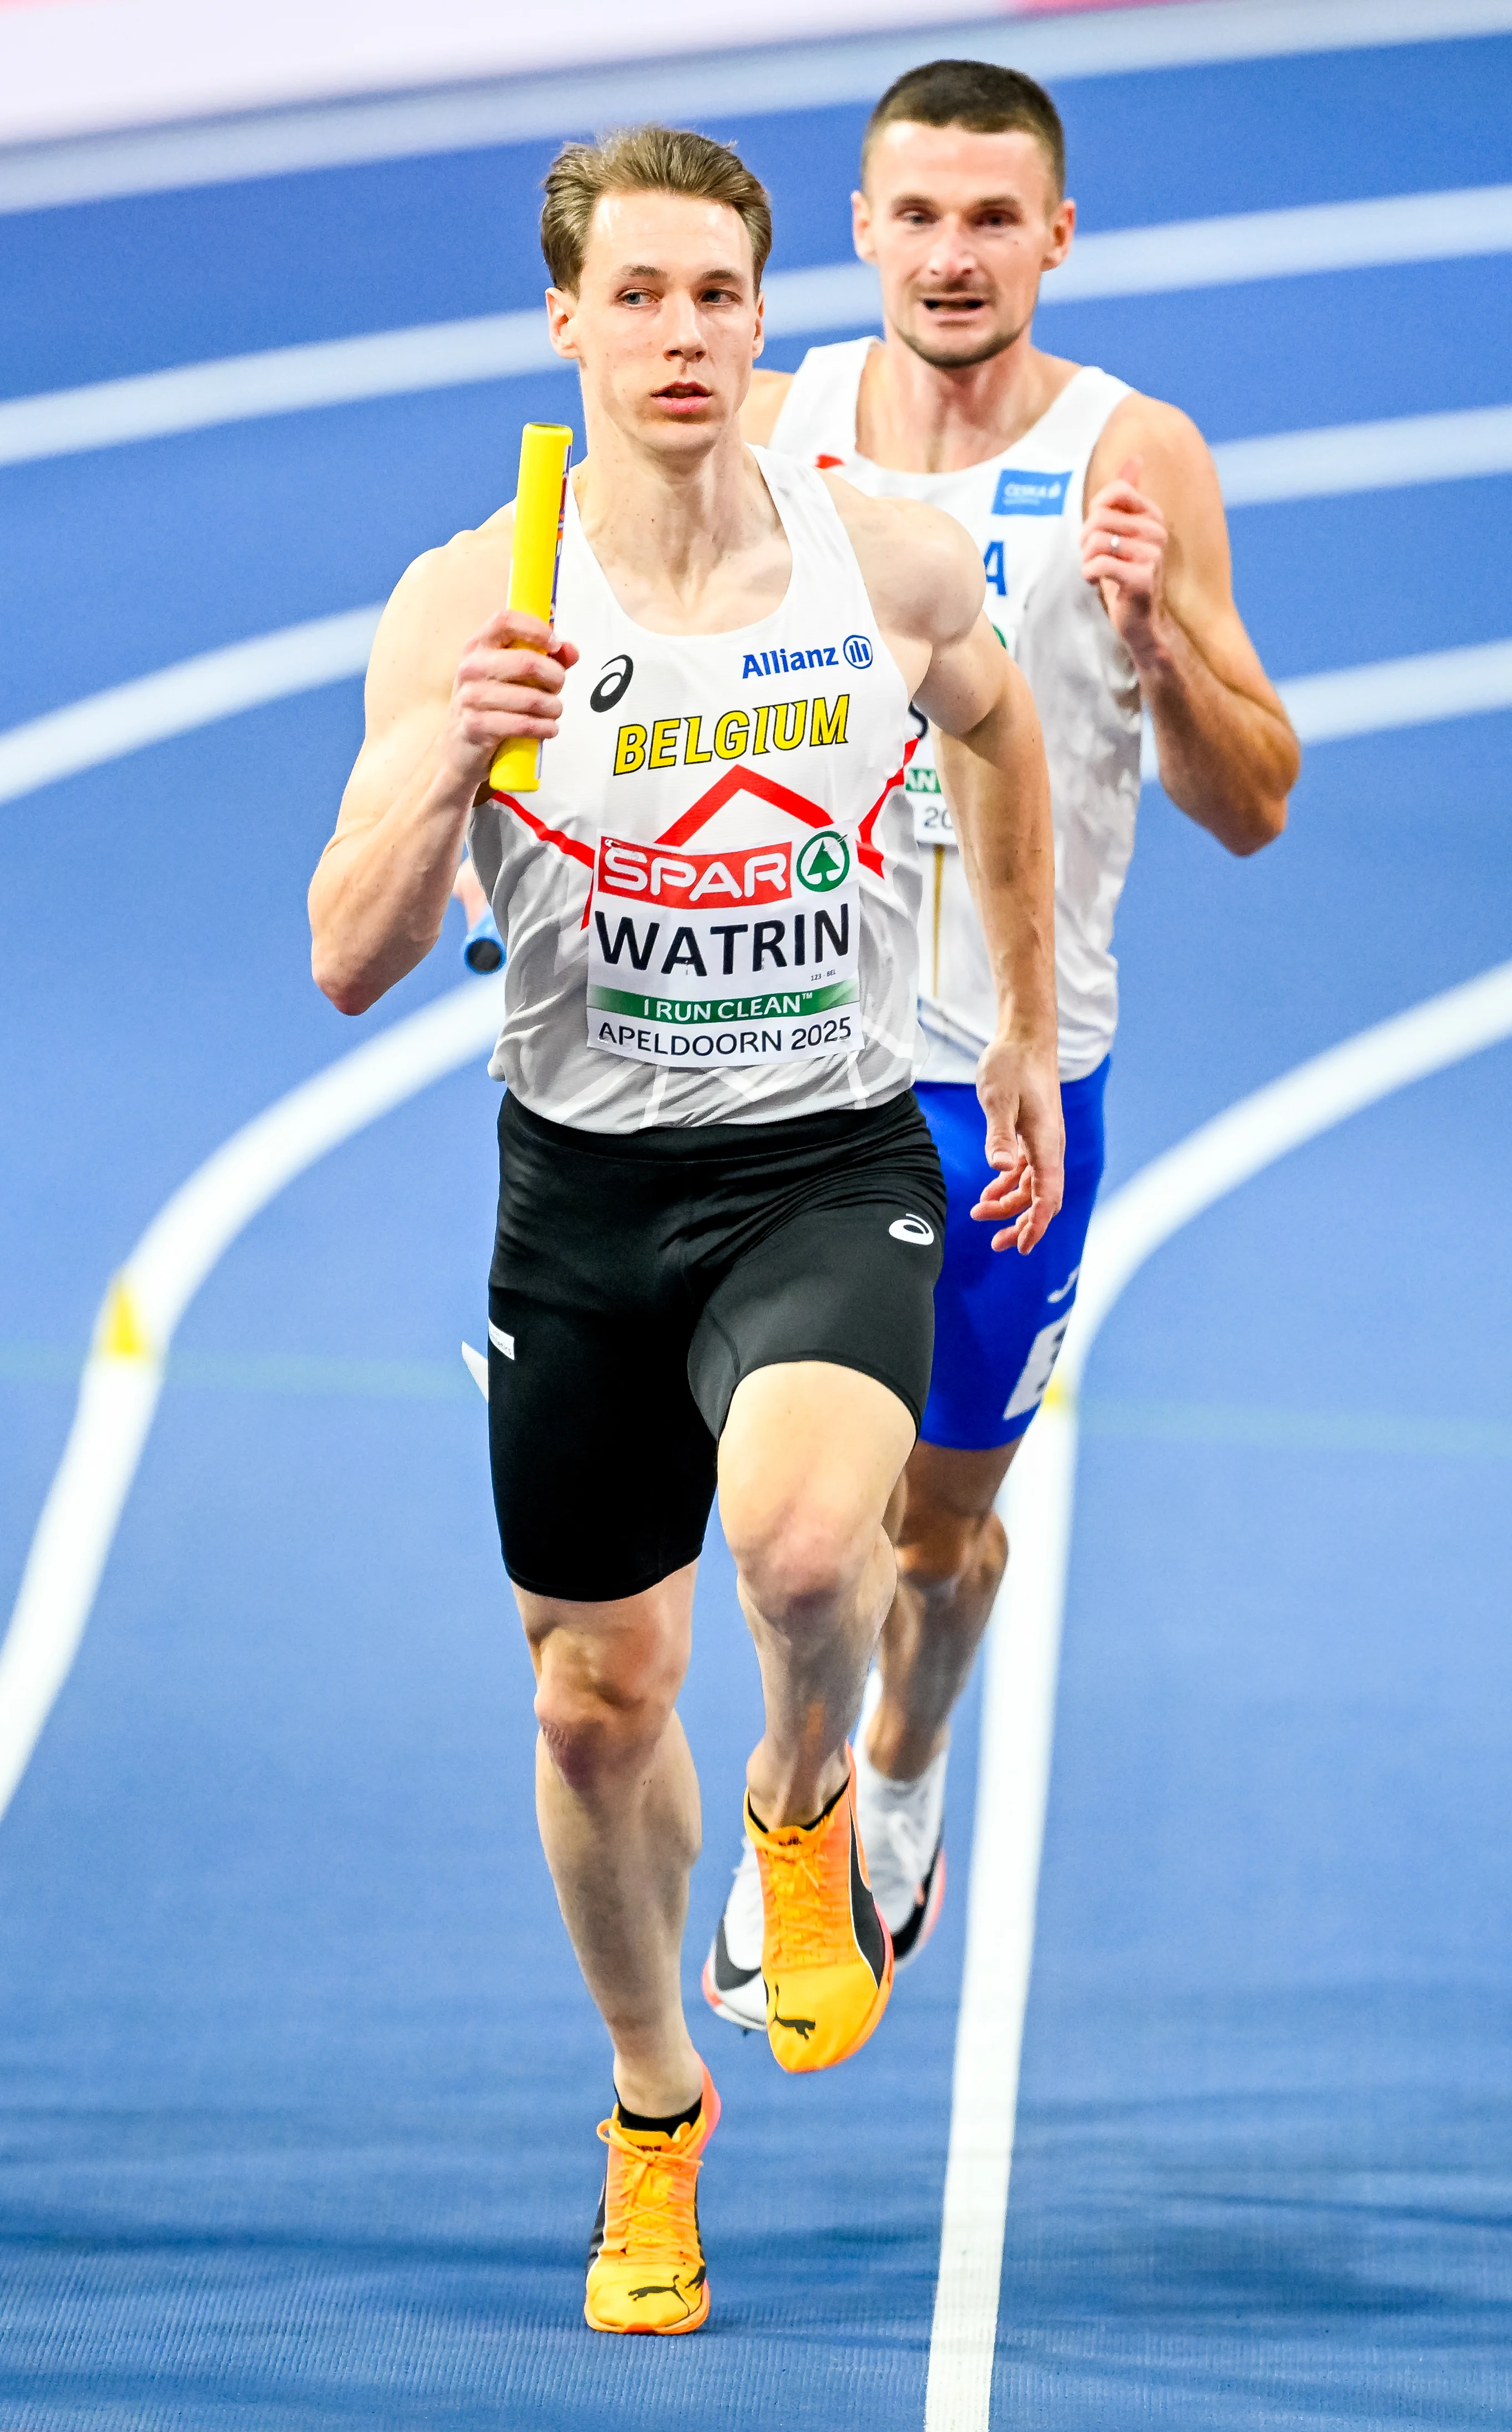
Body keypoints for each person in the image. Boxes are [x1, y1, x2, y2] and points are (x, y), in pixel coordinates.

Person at [307, 124, 1063, 2338]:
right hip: (583, 1204)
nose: (679, 337)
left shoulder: (884, 560)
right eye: (634, 297)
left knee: (813, 1555)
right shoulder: (479, 601)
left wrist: (1014, 1023)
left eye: (716, 297)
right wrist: (457, 757)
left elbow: (1000, 727)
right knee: (584, 1709)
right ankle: (656, 2116)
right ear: (565, 320)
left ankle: (804, 1800)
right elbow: (349, 956)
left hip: (824, 1166)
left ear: (762, 315)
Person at [705, 59, 1299, 2024]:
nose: (953, 256)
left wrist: (1166, 643)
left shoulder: (1140, 454)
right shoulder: (772, 437)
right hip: (799, 1067)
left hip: (1020, 1082)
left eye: (993, 218)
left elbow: (1257, 796)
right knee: (796, 1523)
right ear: (858, 232)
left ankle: (899, 1771)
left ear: (1059, 236)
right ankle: (790, 1803)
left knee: (937, 1540)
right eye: (918, 216)